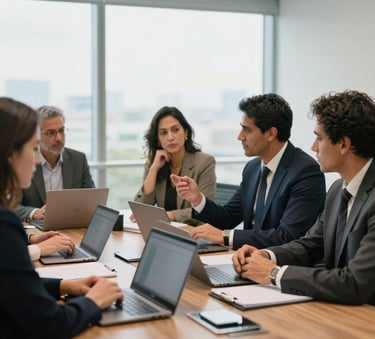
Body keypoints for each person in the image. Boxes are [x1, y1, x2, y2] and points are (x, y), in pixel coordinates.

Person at [232, 90, 375, 305]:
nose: (313, 147)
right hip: (338, 311)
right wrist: (266, 256)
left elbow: (354, 283)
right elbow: (310, 245)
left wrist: (274, 274)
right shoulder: (338, 190)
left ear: (344, 145)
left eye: (319, 138)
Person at [0, 97, 123, 338]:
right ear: (10, 153)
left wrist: (62, 286)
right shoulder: (4, 224)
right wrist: (94, 302)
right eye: (32, 147)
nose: (36, 159)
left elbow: (10, 285)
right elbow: (50, 325)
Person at [171, 93, 326, 249]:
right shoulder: (252, 168)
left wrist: (225, 236)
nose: (240, 137)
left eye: (247, 130)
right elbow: (228, 218)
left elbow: (288, 236)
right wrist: (197, 199)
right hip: (244, 260)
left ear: (271, 134)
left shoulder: (305, 171)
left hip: (277, 266)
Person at [134, 106, 216, 223]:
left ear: (186, 132)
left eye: (175, 130)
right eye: (163, 133)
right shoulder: (155, 164)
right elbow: (141, 208)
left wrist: (166, 215)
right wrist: (154, 169)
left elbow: (205, 209)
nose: (170, 137)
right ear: (158, 140)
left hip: (194, 234)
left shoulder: (204, 162)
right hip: (164, 233)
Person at [15, 105, 95, 222]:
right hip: (37, 230)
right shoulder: (24, 161)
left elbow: (92, 200)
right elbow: (10, 206)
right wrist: (34, 212)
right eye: (51, 133)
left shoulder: (79, 159)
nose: (59, 138)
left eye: (61, 131)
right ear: (37, 135)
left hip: (71, 227)